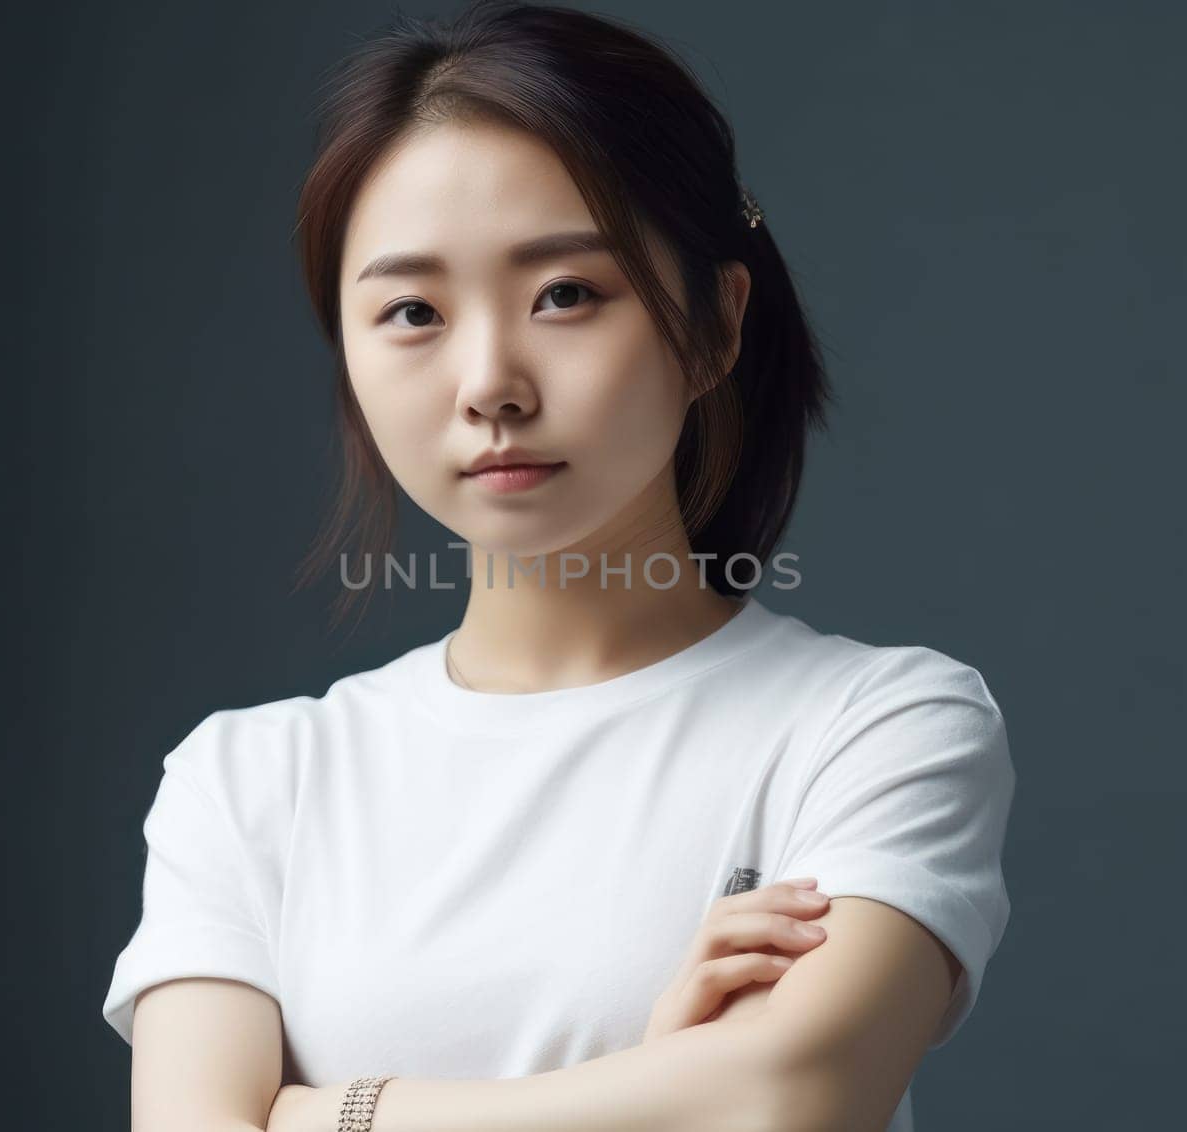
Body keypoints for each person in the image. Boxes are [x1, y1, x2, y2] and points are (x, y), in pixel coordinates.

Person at [101, 3, 1015, 1130]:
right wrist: (652, 1086)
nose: (489, 381)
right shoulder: (249, 783)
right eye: (411, 311)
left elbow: (783, 1098)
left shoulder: (875, 727)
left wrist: (324, 1114)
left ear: (716, 324)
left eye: (565, 294)